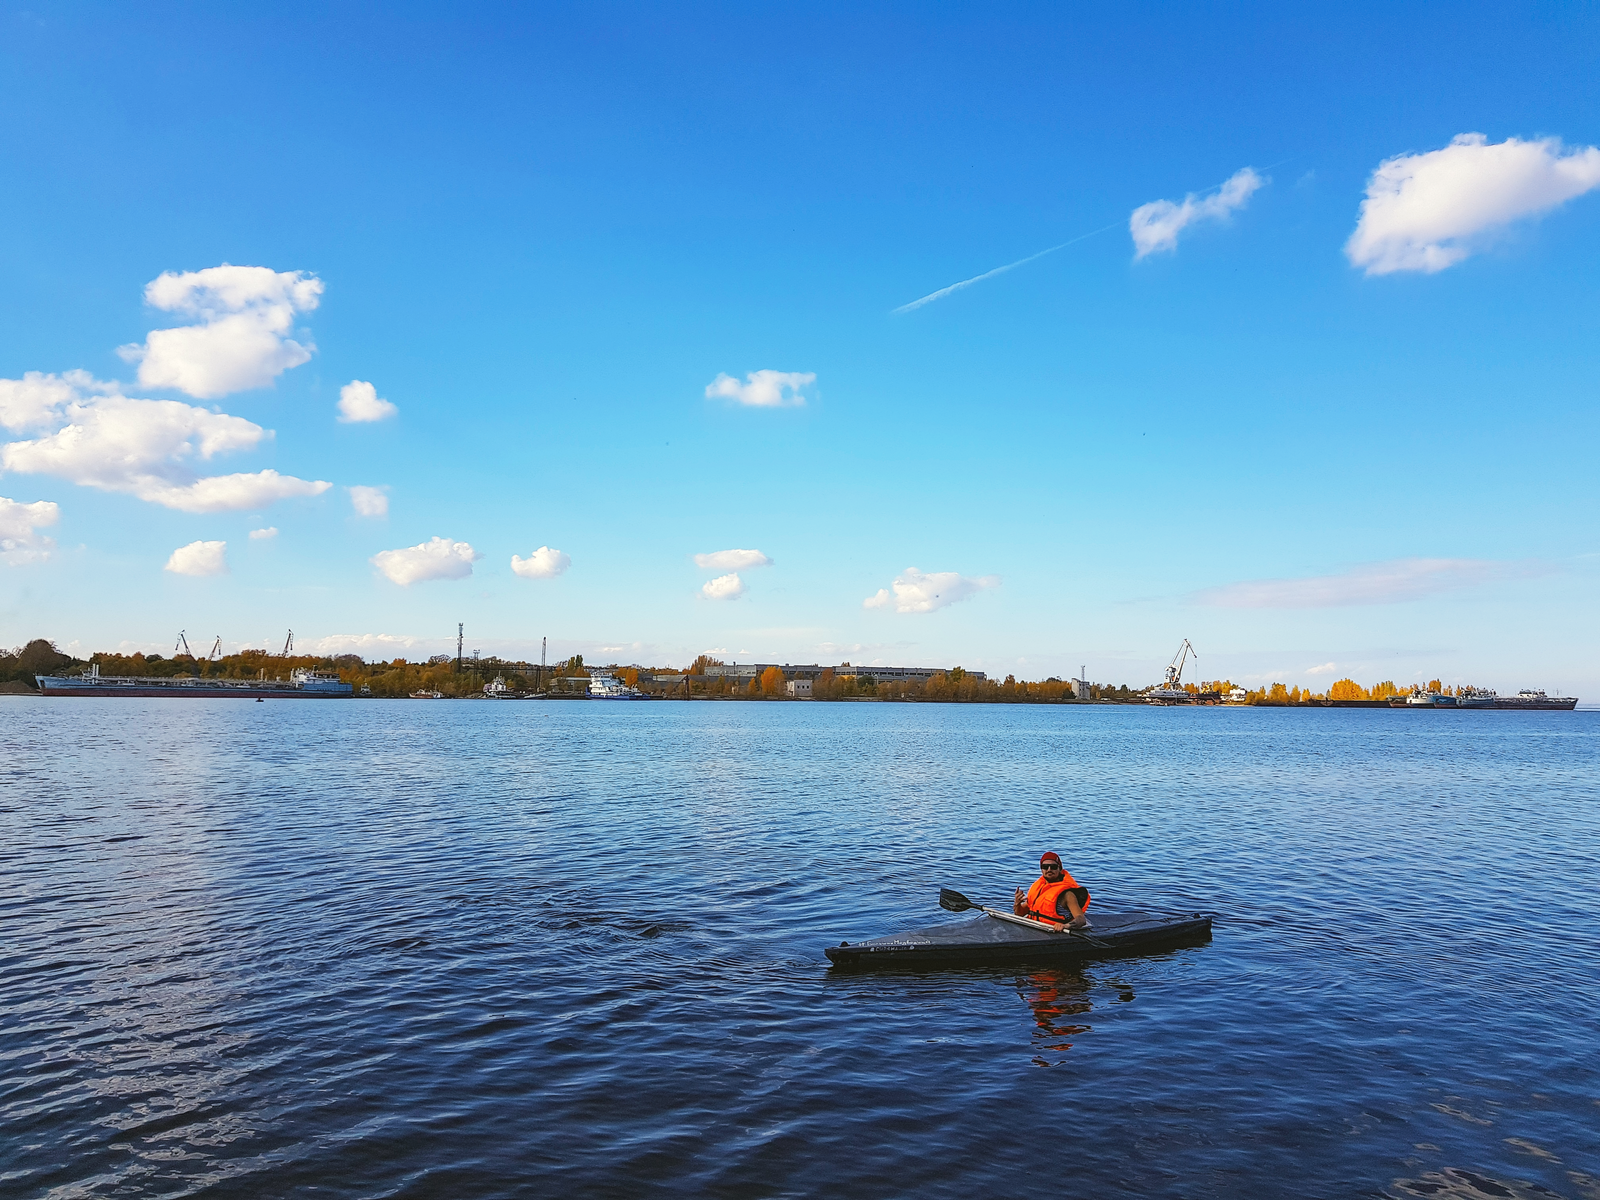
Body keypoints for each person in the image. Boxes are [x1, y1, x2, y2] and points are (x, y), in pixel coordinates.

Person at [1014, 852, 1091, 929]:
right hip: (1034, 927)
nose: (1049, 869)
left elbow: (1081, 919)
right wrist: (1017, 904)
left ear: (1060, 869)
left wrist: (1066, 926)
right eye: (1045, 866)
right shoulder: (1038, 888)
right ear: (1041, 869)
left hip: (1054, 932)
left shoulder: (1067, 894)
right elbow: (1020, 914)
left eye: (1053, 867)